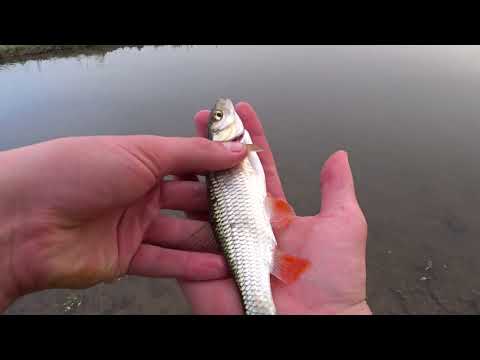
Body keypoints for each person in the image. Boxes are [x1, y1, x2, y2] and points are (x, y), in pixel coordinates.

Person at [0, 102, 370, 315]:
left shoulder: (236, 153)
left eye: (219, 118)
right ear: (220, 137)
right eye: (218, 121)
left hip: (248, 233)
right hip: (250, 237)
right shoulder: (239, 152)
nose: (221, 115)